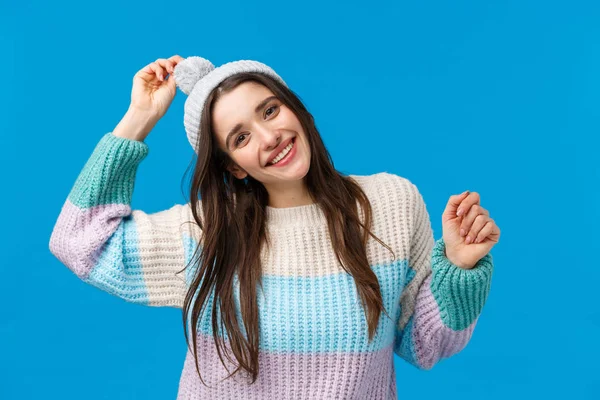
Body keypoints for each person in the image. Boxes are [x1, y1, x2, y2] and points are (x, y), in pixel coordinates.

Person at [49, 54, 500, 399]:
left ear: (294, 109)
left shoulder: (391, 204)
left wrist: (459, 268)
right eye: (240, 138)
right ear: (235, 167)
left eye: (269, 111)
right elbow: (78, 239)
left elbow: (424, 345)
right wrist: (140, 117)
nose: (269, 138)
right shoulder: (205, 234)